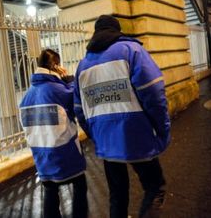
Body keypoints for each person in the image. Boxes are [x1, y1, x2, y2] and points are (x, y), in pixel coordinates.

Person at [73, 15, 171, 218]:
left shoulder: (82, 66)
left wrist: (96, 134)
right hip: (137, 134)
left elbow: (79, 108)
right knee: (155, 187)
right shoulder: (131, 51)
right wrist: (162, 129)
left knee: (117, 194)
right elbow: (153, 93)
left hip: (105, 140)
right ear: (116, 32)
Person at [19, 49, 88, 218]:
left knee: (50, 190)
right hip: (65, 153)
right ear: (55, 65)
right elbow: (77, 101)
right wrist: (69, 80)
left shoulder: (26, 96)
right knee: (80, 184)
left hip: (41, 157)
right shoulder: (58, 90)